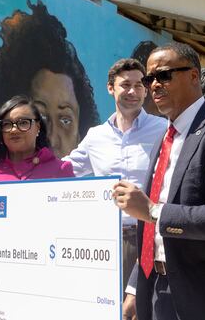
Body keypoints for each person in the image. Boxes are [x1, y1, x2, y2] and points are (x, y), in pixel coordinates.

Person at [113, 42, 205, 320]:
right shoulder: (165, 137)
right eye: (150, 79)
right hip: (159, 289)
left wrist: (152, 211)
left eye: (164, 75)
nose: (155, 85)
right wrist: (136, 286)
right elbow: (152, 231)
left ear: (194, 77)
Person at [63, 58, 166, 312]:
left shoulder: (162, 130)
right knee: (107, 309)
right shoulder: (96, 136)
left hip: (149, 239)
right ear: (111, 88)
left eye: (139, 85)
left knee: (147, 310)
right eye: (125, 85)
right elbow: (65, 171)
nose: (133, 91)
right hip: (107, 242)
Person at [0, 0, 99, 159]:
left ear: (81, 134)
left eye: (65, 120)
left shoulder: (85, 179)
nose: (52, 138)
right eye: (41, 117)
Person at [0, 95, 74, 182]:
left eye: (23, 123)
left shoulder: (60, 170)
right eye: (7, 124)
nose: (14, 130)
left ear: (38, 127)